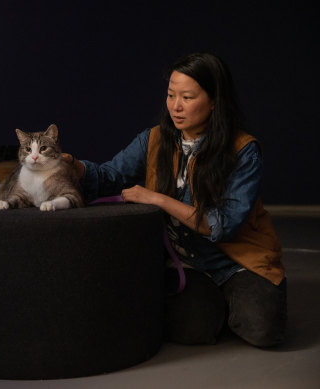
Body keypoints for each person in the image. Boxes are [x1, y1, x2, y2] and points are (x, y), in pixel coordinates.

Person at [64, 52, 286, 347]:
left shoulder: (243, 150)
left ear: (214, 101)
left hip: (239, 260)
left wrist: (157, 199)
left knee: (264, 331)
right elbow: (109, 176)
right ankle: (218, 306)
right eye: (171, 95)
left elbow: (223, 225)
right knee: (191, 331)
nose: (176, 106)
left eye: (187, 97)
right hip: (188, 262)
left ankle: (248, 297)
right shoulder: (153, 139)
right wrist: (75, 166)